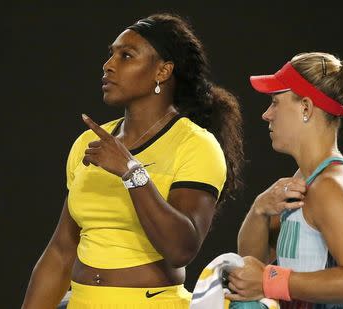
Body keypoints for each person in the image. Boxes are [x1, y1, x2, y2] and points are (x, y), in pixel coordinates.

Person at [22, 13, 243, 309]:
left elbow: (180, 248)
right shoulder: (88, 143)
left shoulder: (196, 144)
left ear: (162, 71)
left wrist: (130, 172)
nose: (108, 65)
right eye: (111, 54)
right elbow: (62, 251)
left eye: (126, 56)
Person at [226, 52, 343, 308]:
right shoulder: (306, 179)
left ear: (306, 108)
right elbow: (252, 264)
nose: (267, 114)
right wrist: (260, 210)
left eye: (276, 102)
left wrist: (270, 281)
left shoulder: (331, 187)